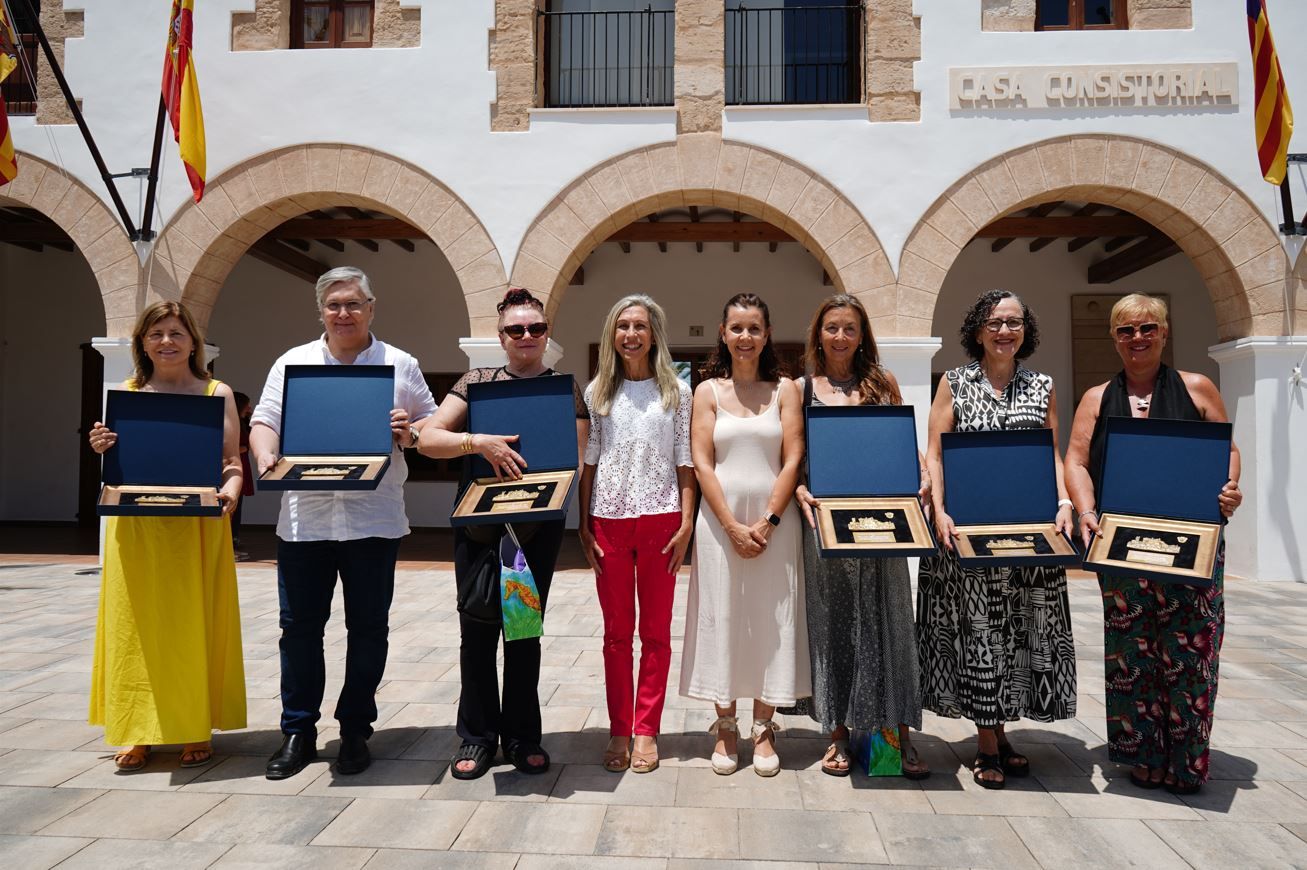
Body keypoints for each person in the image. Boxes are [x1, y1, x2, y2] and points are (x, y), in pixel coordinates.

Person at [250, 266, 436, 780]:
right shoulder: (294, 362)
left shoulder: (400, 364)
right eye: (334, 305)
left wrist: (411, 431)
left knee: (369, 629)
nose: (344, 313)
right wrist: (265, 456)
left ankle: (355, 729)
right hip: (303, 522)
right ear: (321, 312)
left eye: (354, 303)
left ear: (371, 307)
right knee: (299, 629)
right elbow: (264, 420)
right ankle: (298, 731)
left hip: (373, 519)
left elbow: (433, 421)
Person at [1065, 292, 1241, 795]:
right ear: (1114, 338)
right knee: (1132, 653)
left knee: (1190, 654)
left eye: (1147, 328)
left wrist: (1229, 489)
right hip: (1121, 545)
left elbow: (1226, 450)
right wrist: (1085, 512)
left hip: (1192, 544)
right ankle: (1142, 754)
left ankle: (1185, 761)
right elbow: (1076, 460)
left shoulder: (1198, 387)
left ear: (1164, 332)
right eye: (1125, 330)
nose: (1137, 338)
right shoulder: (1097, 397)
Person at [418, 287, 589, 780]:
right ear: (501, 337)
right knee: (476, 632)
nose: (527, 336)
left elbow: (572, 462)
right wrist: (479, 441)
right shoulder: (476, 383)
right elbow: (429, 439)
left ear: (547, 332)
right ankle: (476, 736)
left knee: (522, 633)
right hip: (479, 525)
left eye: (535, 328)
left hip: (533, 528)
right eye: (516, 329)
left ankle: (521, 736)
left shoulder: (563, 388)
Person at [917, 289, 1077, 790]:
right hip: (966, 535)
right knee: (980, 636)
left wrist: (1064, 503)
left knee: (1020, 637)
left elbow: (1049, 453)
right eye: (995, 322)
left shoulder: (1042, 385)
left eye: (1014, 322)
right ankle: (987, 742)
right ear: (978, 330)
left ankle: (1001, 731)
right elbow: (936, 454)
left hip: (1028, 538)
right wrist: (939, 512)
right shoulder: (954, 383)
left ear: (1025, 330)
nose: (1005, 331)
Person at [87, 301, 246, 771]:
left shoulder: (217, 392)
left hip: (196, 528)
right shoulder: (128, 392)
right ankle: (136, 730)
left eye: (176, 333)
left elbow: (232, 461)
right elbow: (119, 463)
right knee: (134, 626)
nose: (167, 342)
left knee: (190, 626)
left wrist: (232, 491)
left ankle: (192, 727)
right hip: (137, 529)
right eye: (156, 334)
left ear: (194, 342)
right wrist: (100, 446)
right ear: (142, 342)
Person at [791, 294, 929, 779]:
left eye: (850, 328)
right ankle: (837, 735)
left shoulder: (882, 381)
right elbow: (792, 455)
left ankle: (894, 738)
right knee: (832, 627)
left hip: (883, 525)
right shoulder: (801, 387)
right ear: (818, 333)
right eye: (832, 327)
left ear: (862, 334)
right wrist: (801, 489)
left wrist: (922, 473)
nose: (840, 337)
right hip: (825, 526)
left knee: (889, 621)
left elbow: (902, 446)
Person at [679, 292, 809, 777]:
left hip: (776, 526)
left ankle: (764, 727)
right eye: (737, 327)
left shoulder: (786, 390)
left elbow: (793, 457)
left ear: (767, 333)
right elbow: (702, 460)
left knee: (772, 621)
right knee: (723, 617)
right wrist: (731, 526)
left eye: (754, 327)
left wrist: (769, 522)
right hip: (720, 526)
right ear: (723, 332)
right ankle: (727, 725)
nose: (745, 337)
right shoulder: (707, 391)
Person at [578, 294, 695, 774]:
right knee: (615, 635)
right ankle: (619, 729)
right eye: (622, 325)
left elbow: (684, 459)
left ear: (654, 334)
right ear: (612, 334)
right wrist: (583, 524)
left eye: (640, 326)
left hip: (662, 519)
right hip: (608, 519)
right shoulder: (597, 393)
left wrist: (687, 523)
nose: (631, 334)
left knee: (656, 634)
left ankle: (647, 729)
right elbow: (589, 463)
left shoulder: (678, 394)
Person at [231, 391, 254, 561]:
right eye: (247, 404)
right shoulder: (232, 423)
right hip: (235, 466)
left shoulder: (242, 422)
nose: (250, 408)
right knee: (233, 507)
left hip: (243, 465)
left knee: (239, 507)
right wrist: (245, 448)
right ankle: (230, 547)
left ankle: (234, 541)